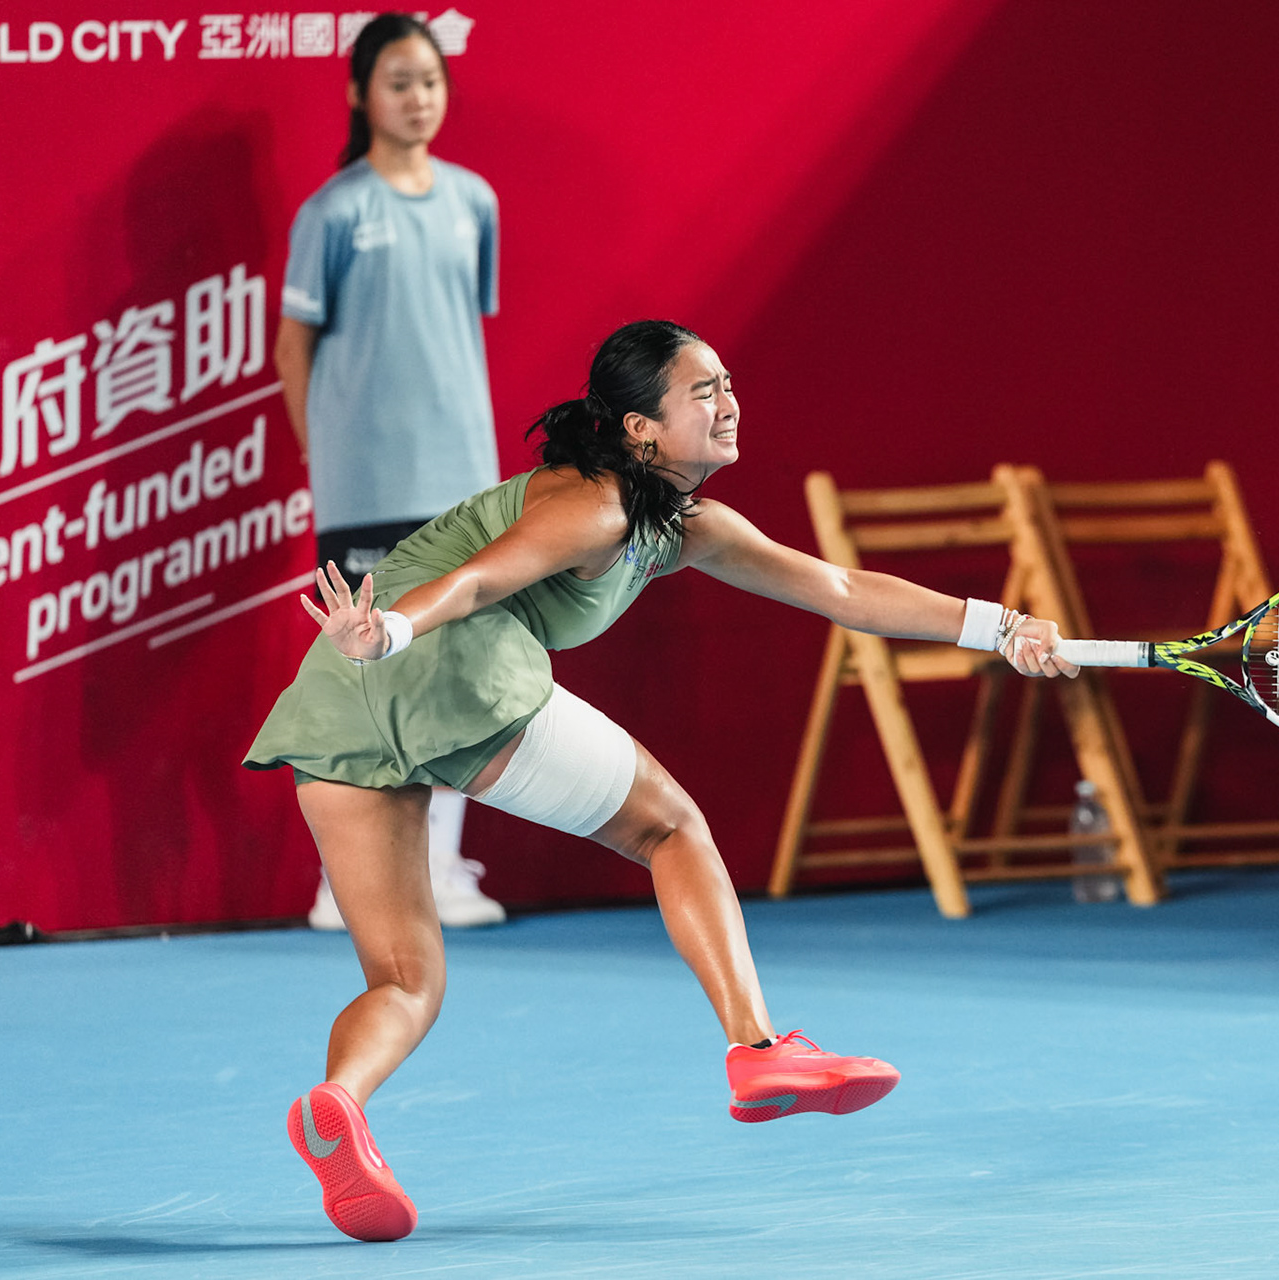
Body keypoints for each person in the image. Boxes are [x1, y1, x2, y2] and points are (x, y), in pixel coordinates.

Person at [245, 319, 1079, 1242]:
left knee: (405, 980)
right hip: (436, 664)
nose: (729, 402)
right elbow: (482, 582)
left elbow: (839, 590)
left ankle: (338, 1103)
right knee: (670, 829)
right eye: (703, 390)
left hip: (335, 703)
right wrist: (392, 631)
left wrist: (1001, 627)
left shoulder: (686, 525)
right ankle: (759, 1052)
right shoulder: (595, 504)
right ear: (641, 428)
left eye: (727, 383)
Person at [272, 11, 506, 930]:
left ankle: (441, 871)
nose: (419, 99)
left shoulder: (474, 201)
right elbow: (295, 349)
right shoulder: (331, 212)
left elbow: (457, 334)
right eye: (400, 82)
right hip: (362, 483)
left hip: (460, 482)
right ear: (360, 95)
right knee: (365, 679)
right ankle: (350, 884)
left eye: (431, 81)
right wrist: (321, 458)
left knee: (458, 669)